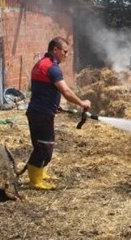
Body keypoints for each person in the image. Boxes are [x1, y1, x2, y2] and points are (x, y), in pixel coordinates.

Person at [25, 37, 91, 190]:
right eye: (65, 52)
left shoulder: (40, 63)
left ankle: (40, 173)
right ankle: (35, 181)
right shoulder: (52, 67)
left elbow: (42, 89)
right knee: (45, 148)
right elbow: (66, 91)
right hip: (41, 114)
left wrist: (54, 105)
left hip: (37, 111)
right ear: (55, 50)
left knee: (40, 145)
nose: (66, 55)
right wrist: (82, 103)